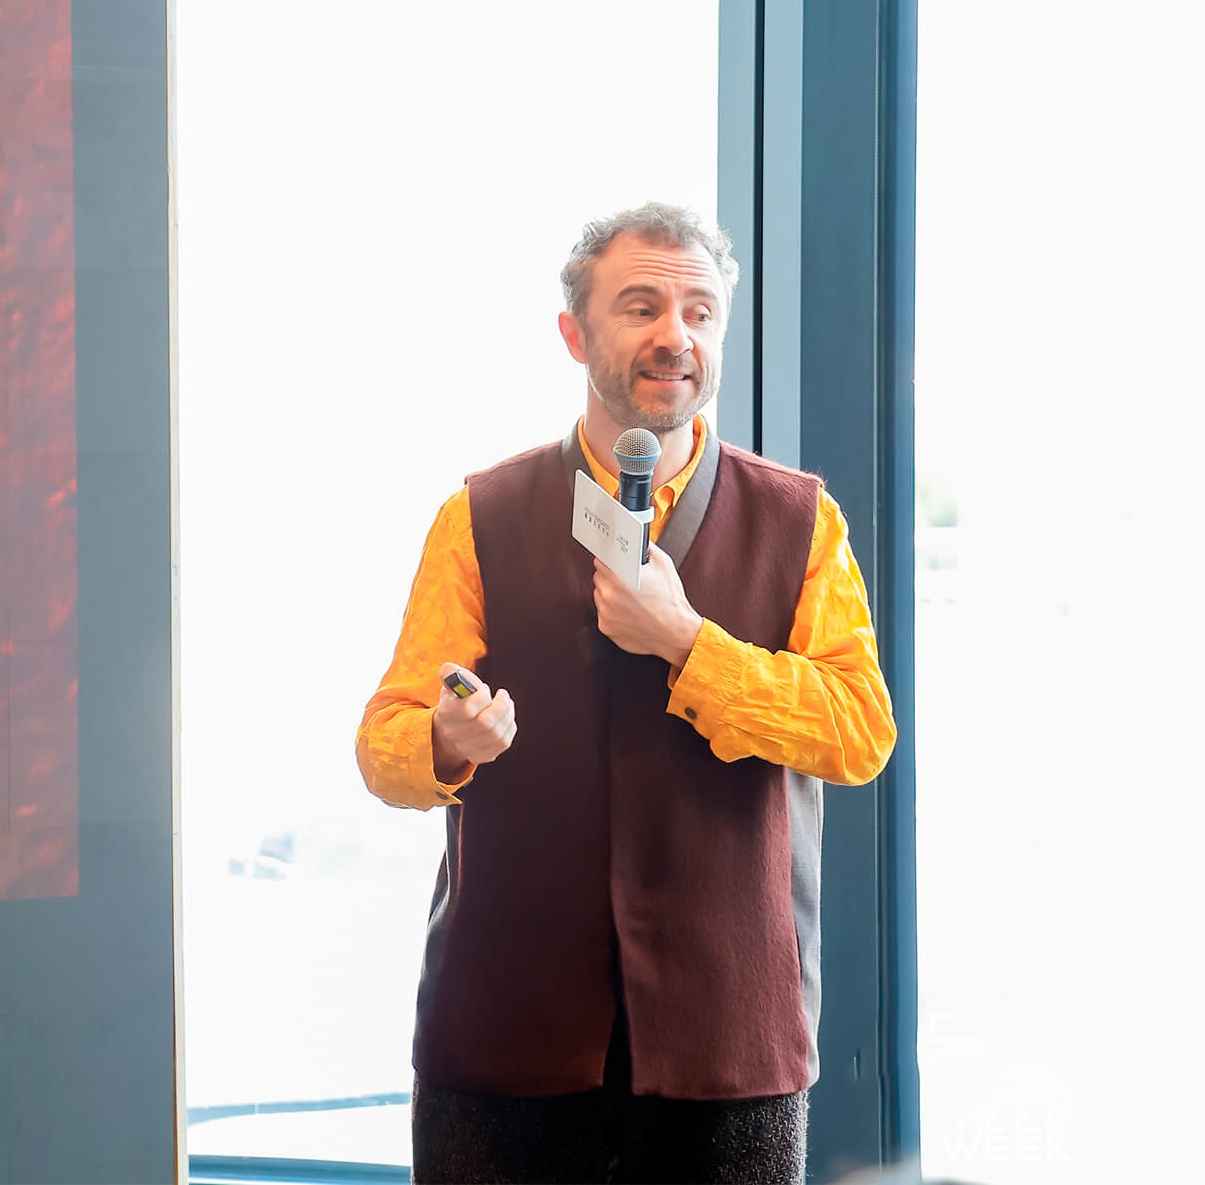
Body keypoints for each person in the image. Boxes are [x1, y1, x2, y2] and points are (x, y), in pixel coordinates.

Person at [355, 202, 897, 1184]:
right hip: (504, 1033)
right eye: (641, 307)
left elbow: (860, 732)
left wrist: (689, 643)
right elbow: (385, 743)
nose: (674, 335)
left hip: (728, 1039)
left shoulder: (800, 522)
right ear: (575, 333)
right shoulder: (479, 516)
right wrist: (444, 739)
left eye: (699, 312)